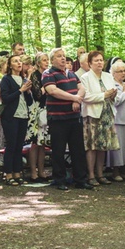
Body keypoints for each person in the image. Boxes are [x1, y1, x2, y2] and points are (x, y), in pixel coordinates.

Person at [42, 48, 91, 190]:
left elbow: (82, 88)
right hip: (58, 118)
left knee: (78, 150)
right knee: (58, 150)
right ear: (52, 60)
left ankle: (81, 179)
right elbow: (53, 91)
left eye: (64, 56)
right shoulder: (48, 73)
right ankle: (59, 180)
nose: (63, 58)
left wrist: (77, 100)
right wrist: (73, 97)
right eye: (59, 56)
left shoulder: (72, 74)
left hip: (74, 117)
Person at [80, 51, 119, 186]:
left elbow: (114, 93)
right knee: (92, 146)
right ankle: (91, 175)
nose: (99, 63)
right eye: (96, 60)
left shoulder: (108, 76)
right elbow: (86, 97)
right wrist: (104, 95)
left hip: (107, 113)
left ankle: (101, 174)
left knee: (103, 145)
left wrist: (113, 95)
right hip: (93, 115)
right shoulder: (85, 77)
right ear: (90, 63)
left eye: (101, 60)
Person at [0, 54, 33, 185]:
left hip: (23, 116)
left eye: (20, 61)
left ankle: (18, 173)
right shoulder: (6, 79)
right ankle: (8, 174)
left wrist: (28, 92)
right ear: (10, 65)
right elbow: (5, 98)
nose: (19, 63)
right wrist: (20, 90)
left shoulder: (23, 79)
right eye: (15, 61)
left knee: (19, 146)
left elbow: (29, 102)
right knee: (11, 145)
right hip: (10, 116)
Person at [26, 53, 50, 182]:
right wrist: (45, 88)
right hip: (37, 110)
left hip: (47, 109)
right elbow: (38, 95)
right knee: (35, 143)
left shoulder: (49, 75)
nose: (47, 62)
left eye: (48, 60)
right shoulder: (36, 75)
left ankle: (41, 170)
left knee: (43, 143)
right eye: (44, 60)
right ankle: (33, 171)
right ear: (38, 62)